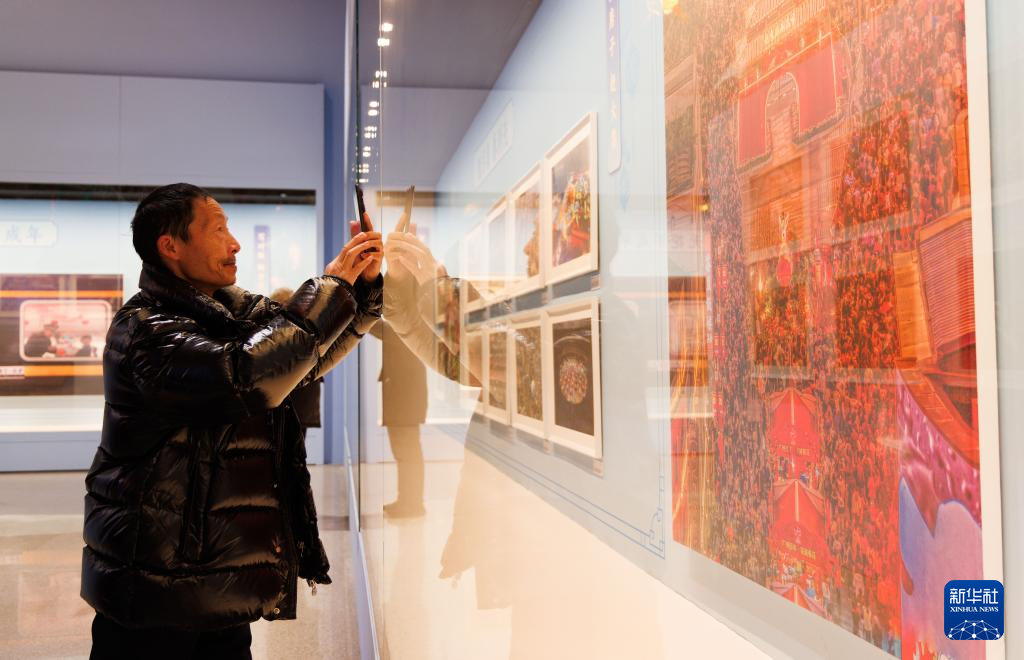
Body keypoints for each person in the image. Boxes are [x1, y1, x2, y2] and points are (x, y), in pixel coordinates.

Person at [80, 183, 383, 659]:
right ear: (171, 246)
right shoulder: (145, 329)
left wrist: (359, 290)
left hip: (218, 578)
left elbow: (302, 361)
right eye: (218, 230)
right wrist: (332, 289)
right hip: (155, 583)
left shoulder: (232, 314)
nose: (235, 243)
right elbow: (247, 375)